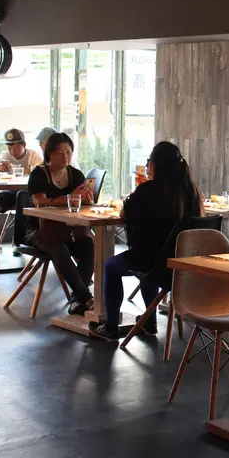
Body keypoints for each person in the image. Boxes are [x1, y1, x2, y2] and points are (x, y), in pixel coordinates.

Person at [89, 141, 203, 341]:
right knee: (151, 261)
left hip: (154, 265)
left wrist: (139, 190)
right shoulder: (192, 191)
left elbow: (125, 214)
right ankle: (149, 322)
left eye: (149, 161)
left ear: (156, 165)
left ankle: (110, 327)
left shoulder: (149, 191)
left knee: (112, 267)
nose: (148, 165)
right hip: (185, 266)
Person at [26, 132, 95, 315]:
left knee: (89, 246)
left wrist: (87, 198)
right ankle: (85, 296)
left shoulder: (76, 175)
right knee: (60, 249)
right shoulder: (39, 174)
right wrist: (71, 198)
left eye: (69, 152)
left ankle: (78, 299)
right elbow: (39, 201)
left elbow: (84, 204)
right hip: (39, 230)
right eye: (60, 152)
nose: (65, 157)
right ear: (49, 154)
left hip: (70, 230)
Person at [0, 128, 43, 211]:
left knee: (23, 197)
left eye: (15, 148)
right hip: (9, 192)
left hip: (28, 191)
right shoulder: (5, 155)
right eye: (9, 148)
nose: (12, 152)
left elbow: (40, 171)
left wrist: (12, 169)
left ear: (24, 144)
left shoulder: (33, 155)